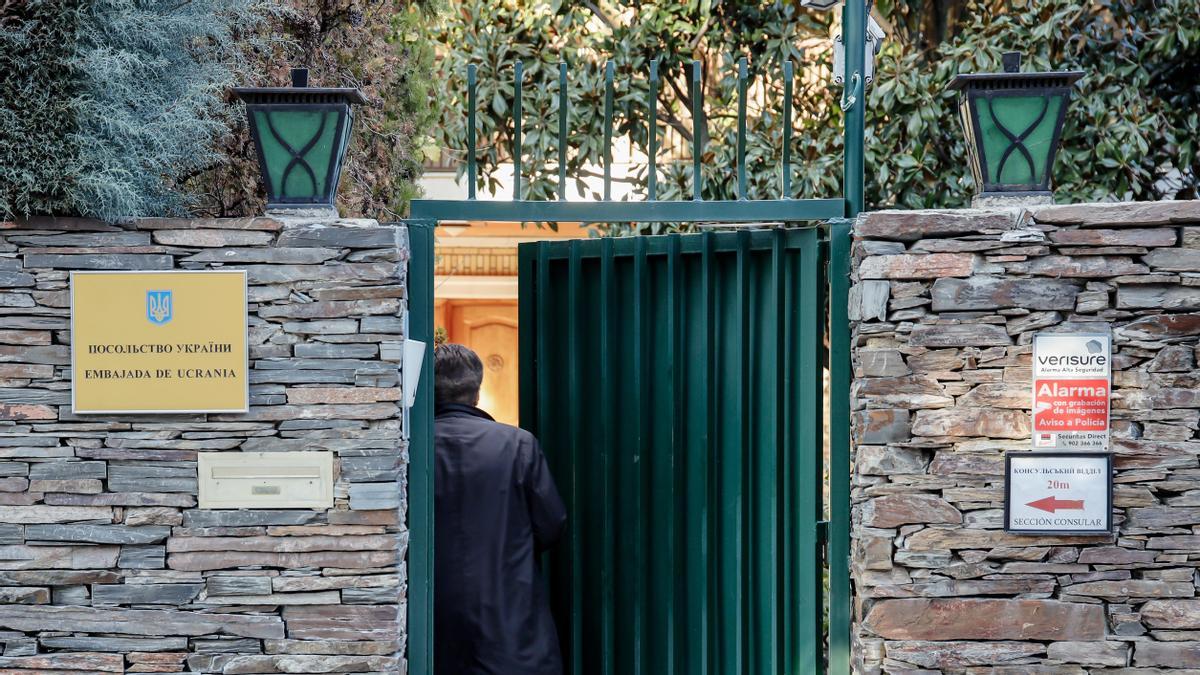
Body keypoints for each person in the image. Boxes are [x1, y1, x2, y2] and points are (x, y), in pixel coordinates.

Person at [433, 343, 567, 675]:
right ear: (476, 392)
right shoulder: (518, 444)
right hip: (509, 615)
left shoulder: (411, 448)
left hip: (433, 620)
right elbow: (551, 525)